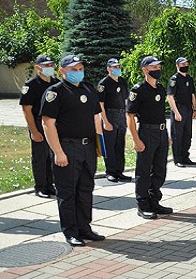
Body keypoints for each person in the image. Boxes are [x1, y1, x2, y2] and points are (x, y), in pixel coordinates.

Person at [40, 55, 105, 246]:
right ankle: (70, 231)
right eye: (73, 69)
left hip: (88, 147)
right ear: (62, 71)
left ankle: (85, 228)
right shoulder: (55, 92)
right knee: (67, 192)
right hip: (67, 147)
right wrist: (58, 152)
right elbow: (47, 124)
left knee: (86, 189)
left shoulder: (89, 89)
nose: (78, 72)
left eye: (80, 69)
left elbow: (96, 118)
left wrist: (100, 146)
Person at [126, 56, 173, 219]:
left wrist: (166, 135)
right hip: (146, 133)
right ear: (145, 70)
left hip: (161, 133)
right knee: (144, 170)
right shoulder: (138, 90)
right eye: (154, 67)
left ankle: (154, 201)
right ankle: (143, 205)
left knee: (160, 169)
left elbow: (160, 114)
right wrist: (136, 139)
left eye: (158, 67)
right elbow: (130, 116)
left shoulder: (160, 88)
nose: (157, 70)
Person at [19, 55, 59, 198]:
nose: (50, 68)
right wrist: (34, 131)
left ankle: (50, 185)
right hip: (38, 122)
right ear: (37, 68)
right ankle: (40, 187)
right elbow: (27, 109)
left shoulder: (56, 83)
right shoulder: (31, 85)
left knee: (53, 155)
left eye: (51, 65)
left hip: (54, 124)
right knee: (40, 157)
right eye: (46, 65)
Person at [97, 58, 131, 182]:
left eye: (118, 67)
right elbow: (100, 104)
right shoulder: (104, 84)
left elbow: (126, 100)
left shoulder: (122, 81)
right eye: (114, 67)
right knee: (110, 145)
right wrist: (105, 121)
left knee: (120, 145)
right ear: (108, 69)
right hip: (109, 115)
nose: (117, 69)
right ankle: (110, 172)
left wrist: (127, 116)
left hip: (121, 115)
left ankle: (119, 171)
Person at [167, 56, 196, 168]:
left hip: (188, 109)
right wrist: (176, 112)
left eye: (186, 64)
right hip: (179, 109)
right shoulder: (174, 79)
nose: (185, 66)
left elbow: (192, 95)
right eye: (183, 64)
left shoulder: (189, 78)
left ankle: (185, 157)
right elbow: (170, 96)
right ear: (177, 66)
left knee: (187, 135)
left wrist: (195, 109)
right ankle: (178, 159)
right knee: (177, 135)